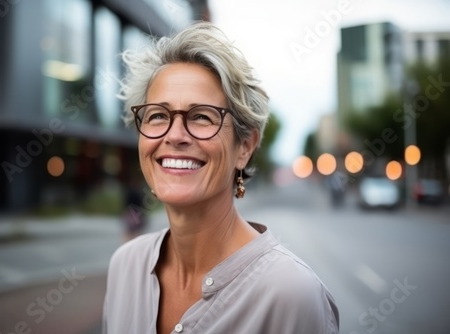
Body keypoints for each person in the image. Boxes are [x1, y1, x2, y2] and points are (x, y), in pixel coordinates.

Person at [103, 22, 339, 334]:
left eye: (201, 116)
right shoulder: (125, 266)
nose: (174, 135)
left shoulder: (292, 295)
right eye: (158, 115)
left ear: (245, 147)